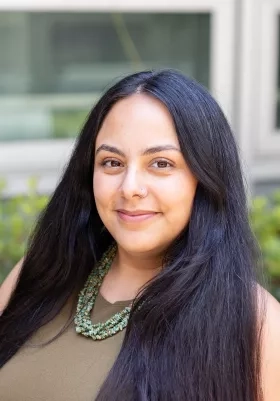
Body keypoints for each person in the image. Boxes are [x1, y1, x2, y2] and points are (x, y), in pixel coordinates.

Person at [0, 69, 279, 401]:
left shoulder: (254, 320)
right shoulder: (42, 274)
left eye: (161, 164)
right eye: (112, 162)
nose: (130, 187)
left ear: (205, 179)